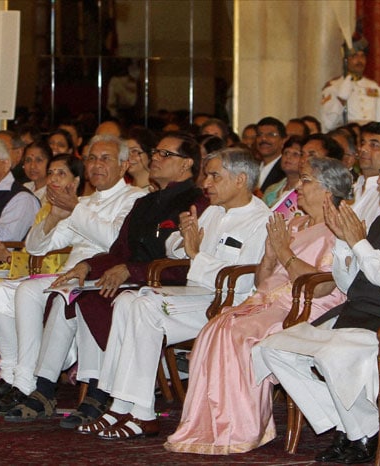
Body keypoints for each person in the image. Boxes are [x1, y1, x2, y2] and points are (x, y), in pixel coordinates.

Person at [254, 130, 380, 463]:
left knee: (334, 353)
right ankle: (357, 429)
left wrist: (359, 243)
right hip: (354, 320)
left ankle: (359, 434)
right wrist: (343, 243)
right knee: (271, 349)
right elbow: (350, 286)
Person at [6, 132, 208, 426]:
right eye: (155, 152)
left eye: (164, 154)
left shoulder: (195, 201)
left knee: (93, 296)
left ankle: (98, 393)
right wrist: (88, 265)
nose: (154, 158)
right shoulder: (148, 203)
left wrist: (131, 270)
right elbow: (120, 249)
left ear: (186, 163)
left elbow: (186, 260)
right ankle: (44, 387)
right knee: (69, 292)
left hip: (163, 282)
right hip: (131, 276)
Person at [76, 147, 271, 439]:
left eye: (215, 176)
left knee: (143, 307)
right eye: (207, 176)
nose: (206, 184)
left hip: (229, 305)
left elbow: (241, 282)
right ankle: (120, 404)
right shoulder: (213, 212)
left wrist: (195, 252)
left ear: (241, 179)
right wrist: (186, 240)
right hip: (196, 295)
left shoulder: (261, 219)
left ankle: (140, 412)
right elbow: (174, 247)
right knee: (127, 300)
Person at [164, 157, 352, 454]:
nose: (297, 188)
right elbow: (265, 278)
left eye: (305, 181)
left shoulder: (340, 229)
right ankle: (209, 426)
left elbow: (323, 285)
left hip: (310, 307)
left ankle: (242, 429)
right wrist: (269, 255)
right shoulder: (294, 222)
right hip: (270, 300)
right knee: (216, 328)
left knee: (239, 334)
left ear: (328, 191)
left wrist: (283, 251)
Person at [0, 135, 145, 415]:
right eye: (92, 158)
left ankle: (38, 385)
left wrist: (74, 209)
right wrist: (55, 217)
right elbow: (36, 247)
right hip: (70, 276)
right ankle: (17, 376)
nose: (96, 165)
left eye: (105, 158)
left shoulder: (135, 198)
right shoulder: (85, 202)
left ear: (124, 165)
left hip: (105, 275)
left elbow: (115, 241)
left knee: (42, 293)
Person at [0, 153, 84, 358]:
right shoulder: (45, 212)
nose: (53, 178)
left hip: (63, 278)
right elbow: (32, 252)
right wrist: (8, 257)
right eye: (51, 173)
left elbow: (51, 263)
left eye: (61, 173)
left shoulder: (84, 210)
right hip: (29, 272)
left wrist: (8, 257)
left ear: (76, 180)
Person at [319, 24, 380, 131]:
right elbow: (328, 124)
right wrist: (341, 99)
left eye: (362, 56)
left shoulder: (373, 87)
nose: (359, 60)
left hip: (369, 138)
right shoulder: (333, 86)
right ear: (345, 60)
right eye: (354, 56)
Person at [262, 135, 302, 207]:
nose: (288, 157)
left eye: (295, 154)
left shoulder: (305, 191)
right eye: (286, 153)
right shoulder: (271, 190)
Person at [256, 117, 287, 192]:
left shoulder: (285, 170)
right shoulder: (253, 167)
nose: (263, 139)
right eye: (259, 134)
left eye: (270, 135)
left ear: (283, 140)